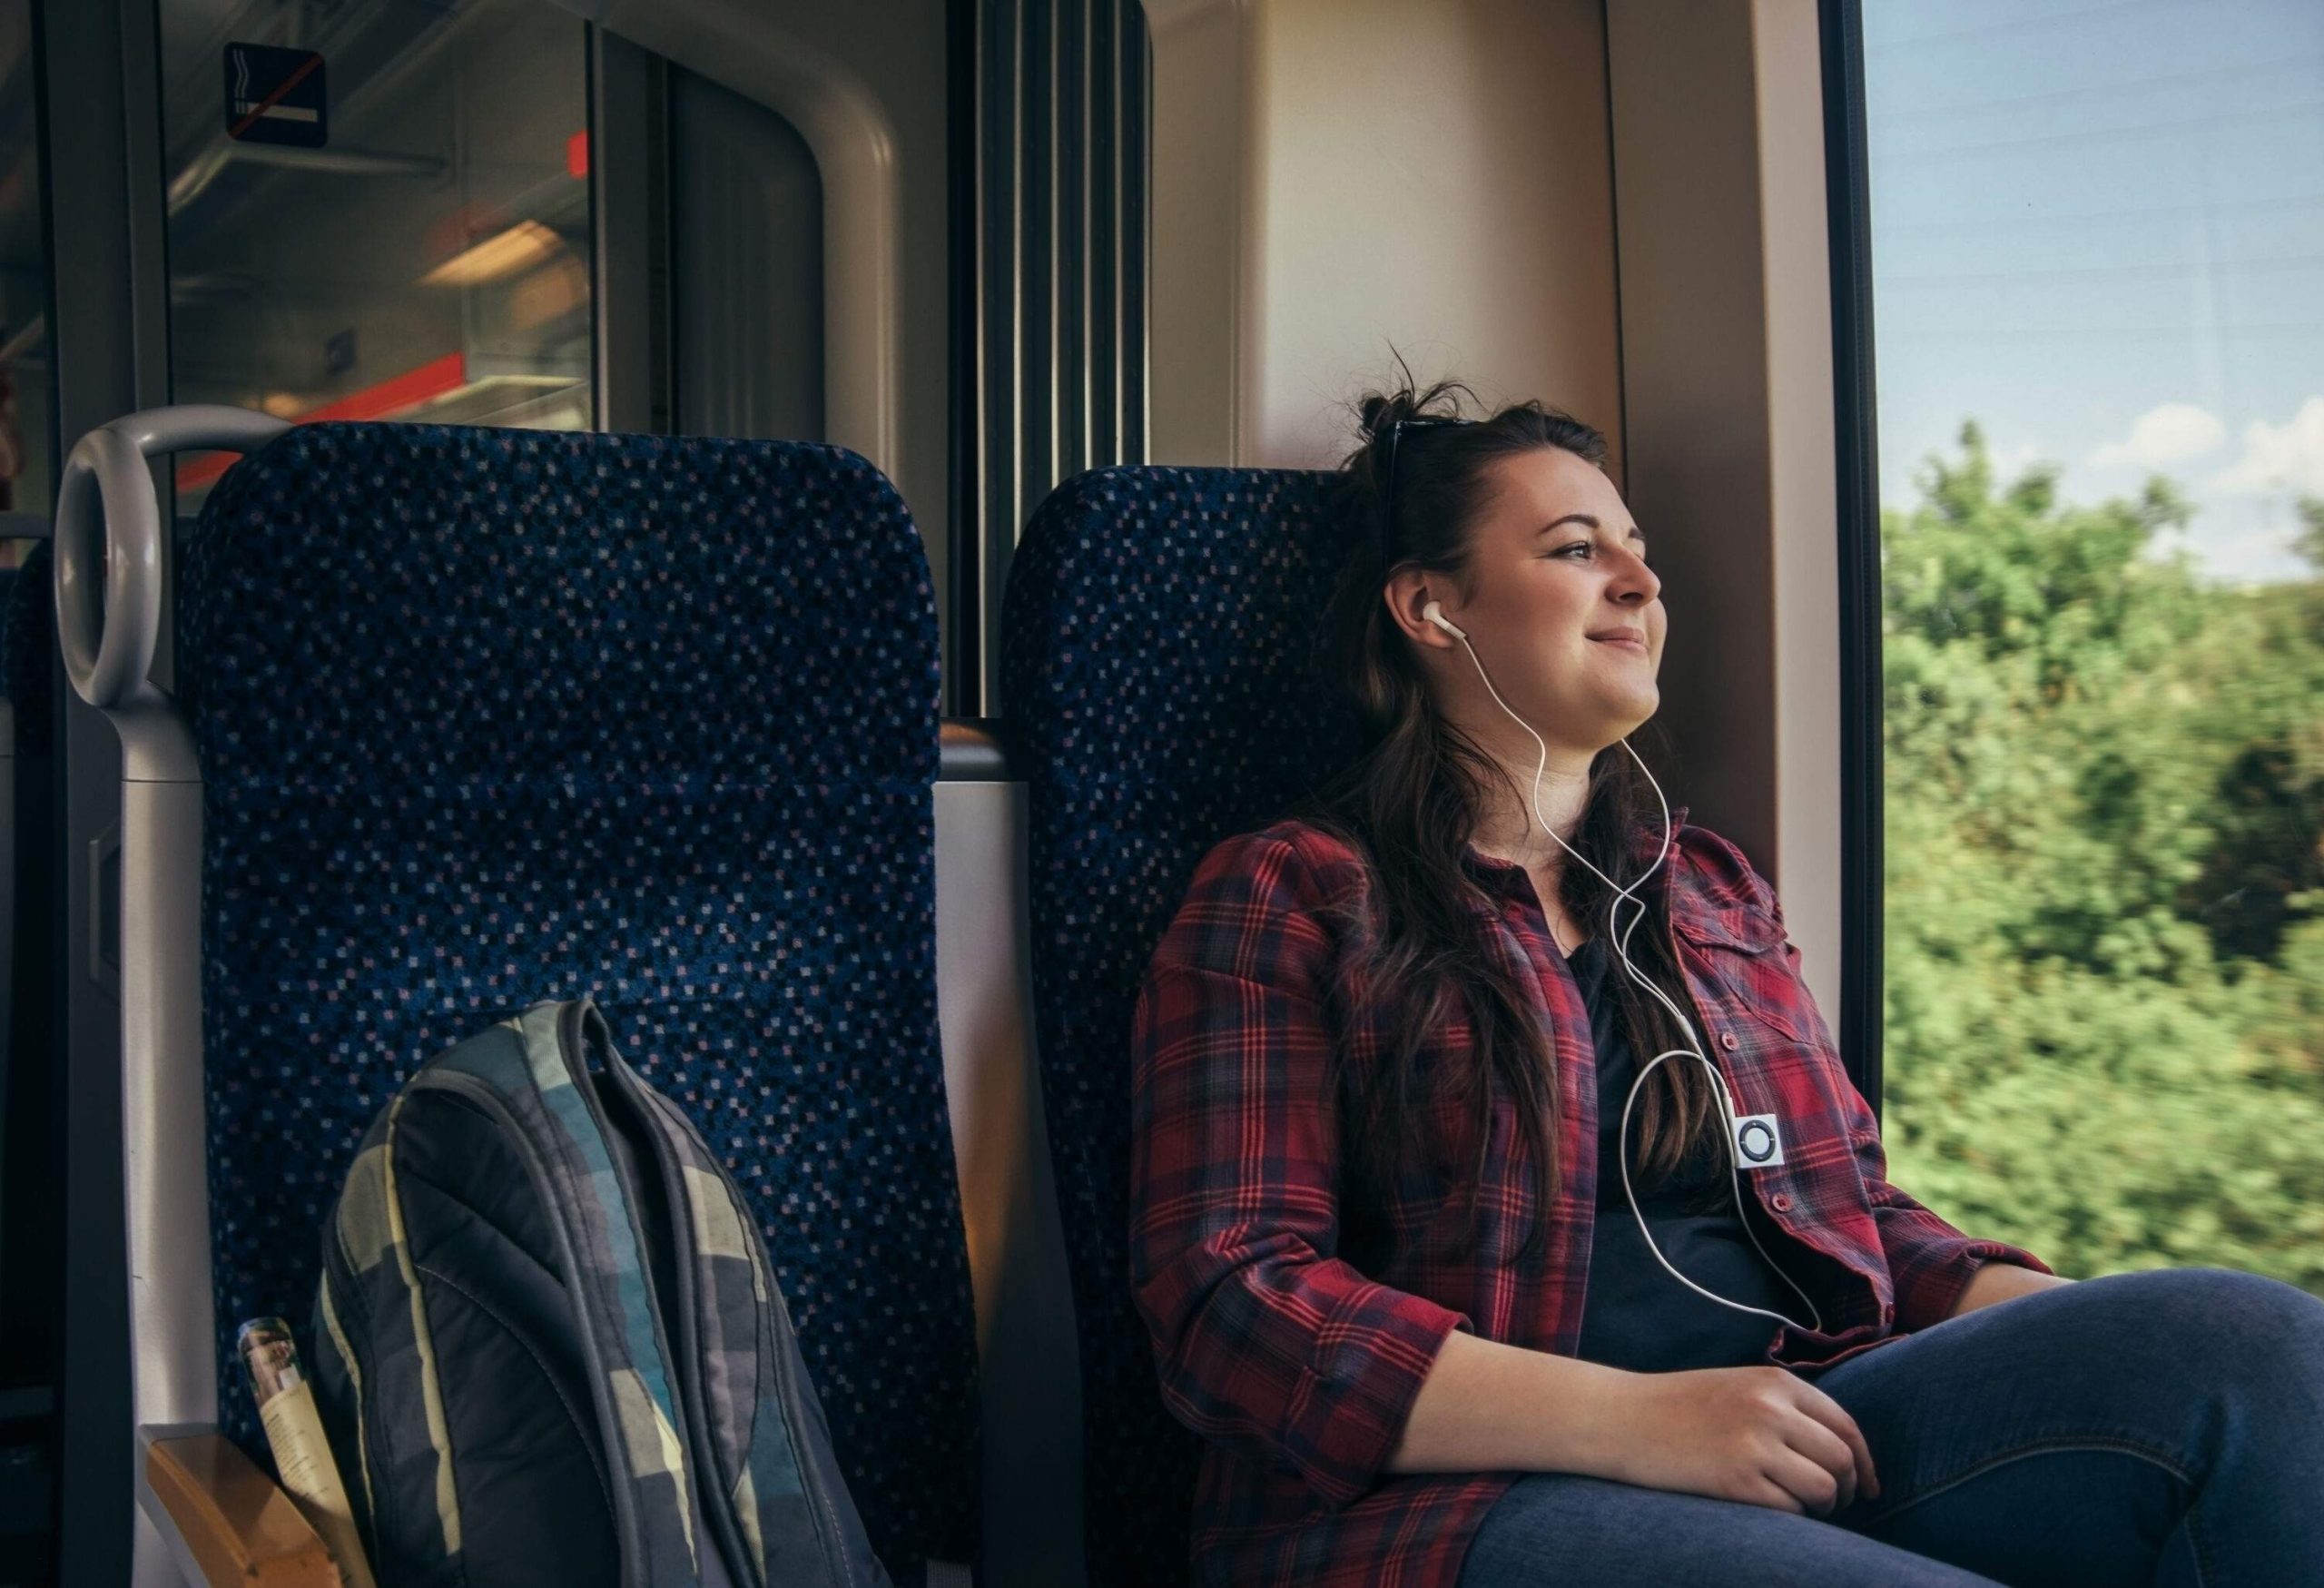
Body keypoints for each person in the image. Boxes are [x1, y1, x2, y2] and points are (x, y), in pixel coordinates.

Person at [1126, 379, 2324, 1587]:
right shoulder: (1294, 892)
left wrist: (2066, 1325)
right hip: (1458, 1501)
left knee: (2250, 1344)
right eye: (1577, 550)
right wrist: (1638, 1423)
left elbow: (1858, 1213)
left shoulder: (1707, 890)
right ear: (1431, 606)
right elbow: (1232, 1296)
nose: (1642, 585)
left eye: (1638, 555)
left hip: (1802, 1417)